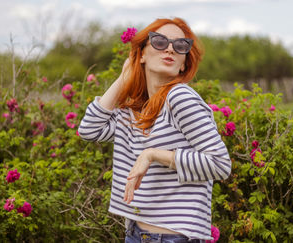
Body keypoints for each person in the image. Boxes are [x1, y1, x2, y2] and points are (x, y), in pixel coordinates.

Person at [78, 17, 231, 242]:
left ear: (183, 64)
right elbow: (89, 130)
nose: (170, 48)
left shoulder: (179, 97)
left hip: (172, 238)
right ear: (141, 54)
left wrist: (151, 155)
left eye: (180, 46)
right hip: (136, 233)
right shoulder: (137, 110)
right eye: (159, 41)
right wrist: (124, 77)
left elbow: (220, 164)